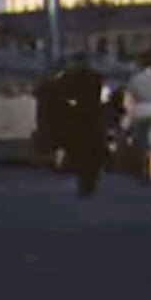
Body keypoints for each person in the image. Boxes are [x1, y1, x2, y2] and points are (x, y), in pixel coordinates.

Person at [54, 53, 107, 197]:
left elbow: (61, 95)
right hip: (94, 114)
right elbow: (102, 97)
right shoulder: (96, 78)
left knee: (79, 146)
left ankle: (81, 174)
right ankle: (91, 176)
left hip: (77, 114)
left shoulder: (68, 77)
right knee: (93, 148)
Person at [123, 52, 151, 183]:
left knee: (142, 143)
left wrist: (128, 117)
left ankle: (143, 171)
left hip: (140, 110)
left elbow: (129, 99)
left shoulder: (135, 79)